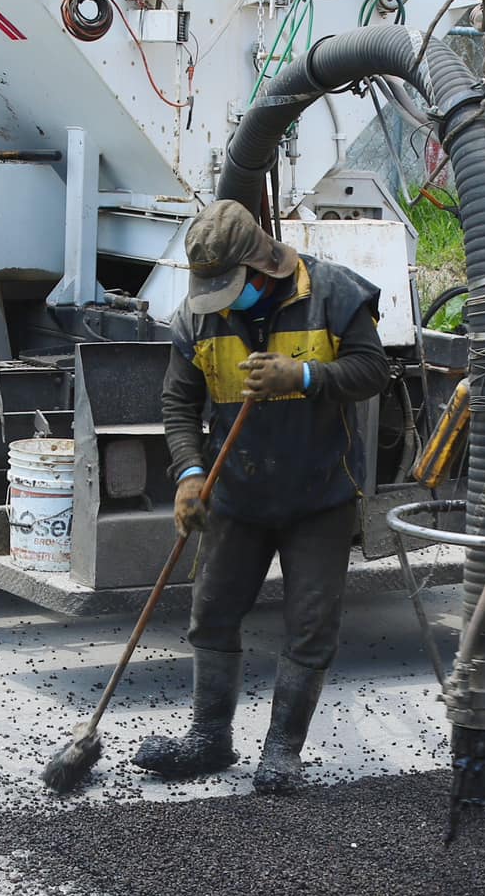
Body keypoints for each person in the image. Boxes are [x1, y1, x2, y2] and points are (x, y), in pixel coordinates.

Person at [134, 199, 388, 794]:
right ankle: (210, 738)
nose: (224, 299)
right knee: (212, 614)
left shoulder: (332, 294)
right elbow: (178, 406)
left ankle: (281, 751)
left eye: (231, 285)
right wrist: (190, 475)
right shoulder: (197, 320)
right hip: (236, 493)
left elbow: (373, 371)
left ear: (262, 267)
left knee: (309, 624)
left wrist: (303, 377)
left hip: (318, 495)